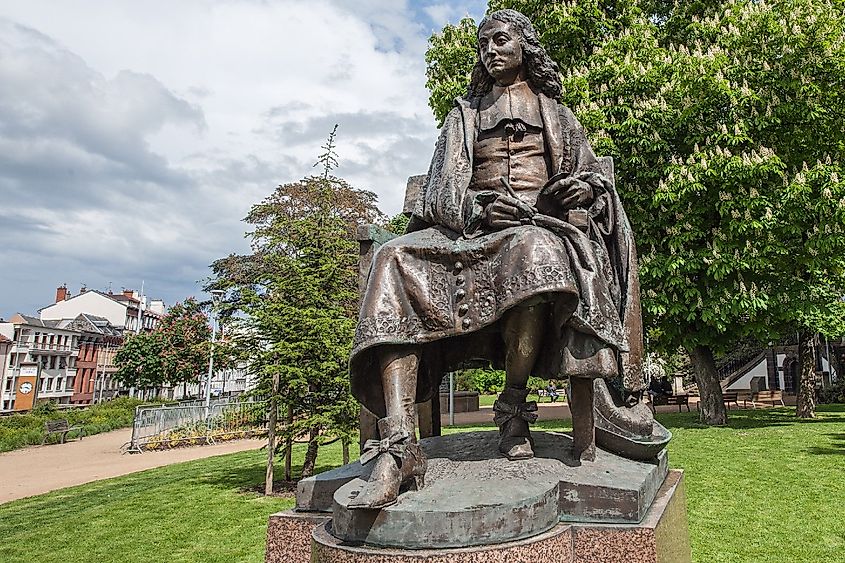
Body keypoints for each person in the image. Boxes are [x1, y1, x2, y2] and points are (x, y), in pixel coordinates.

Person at [348, 9, 648, 510]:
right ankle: (399, 449)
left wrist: (582, 188)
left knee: (536, 257)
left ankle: (511, 408)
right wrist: (478, 208)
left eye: (501, 40)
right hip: (471, 232)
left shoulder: (557, 114)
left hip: (539, 229)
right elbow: (440, 189)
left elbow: (596, 179)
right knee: (391, 258)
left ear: (525, 47)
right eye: (484, 44)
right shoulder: (463, 115)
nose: (490, 50)